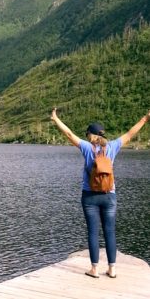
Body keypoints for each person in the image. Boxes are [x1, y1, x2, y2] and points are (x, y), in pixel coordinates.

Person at [50, 108, 149, 279]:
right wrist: (145, 118)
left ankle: (94, 269)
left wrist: (55, 118)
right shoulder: (112, 147)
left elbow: (68, 134)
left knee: (93, 232)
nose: (87, 137)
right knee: (110, 231)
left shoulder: (88, 148)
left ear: (91, 135)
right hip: (110, 195)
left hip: (90, 196)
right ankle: (112, 269)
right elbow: (130, 134)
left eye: (88, 134)